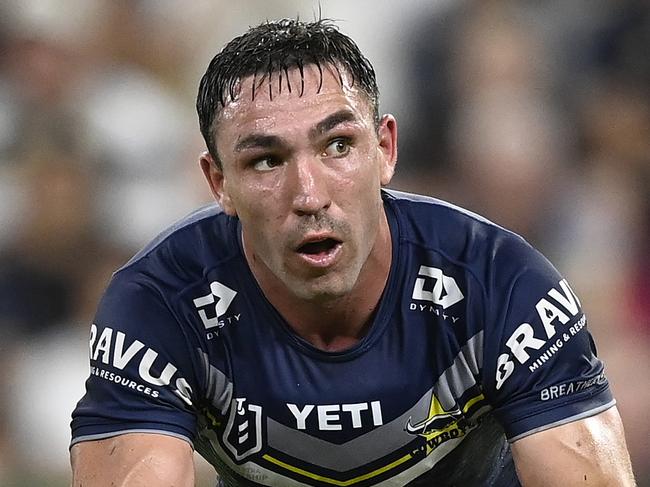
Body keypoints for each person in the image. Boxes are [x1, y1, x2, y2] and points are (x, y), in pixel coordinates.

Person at [70, 19, 637, 486]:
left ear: (385, 149)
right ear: (218, 182)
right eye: (266, 160)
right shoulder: (160, 304)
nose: (309, 195)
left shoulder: (504, 285)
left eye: (338, 145)